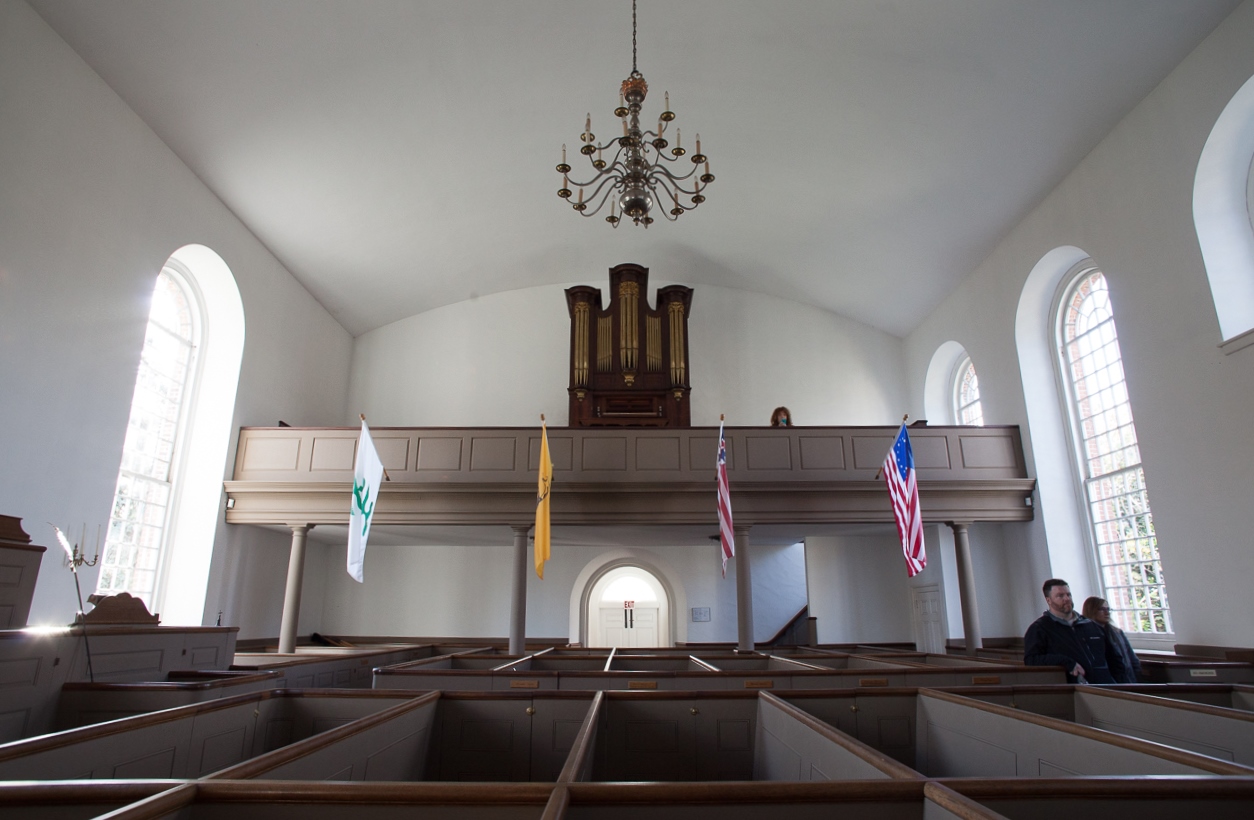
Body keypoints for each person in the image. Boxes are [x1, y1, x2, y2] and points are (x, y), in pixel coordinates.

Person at [1023, 579, 1126, 684]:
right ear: (1049, 600)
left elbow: (1114, 659)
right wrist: (1065, 661)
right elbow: (1031, 660)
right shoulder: (1040, 628)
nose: (1067, 599)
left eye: (1069, 594)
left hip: (1106, 686)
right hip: (1073, 688)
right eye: (1060, 596)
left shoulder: (1091, 625)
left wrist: (1122, 684)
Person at [1082, 596, 1142, 683]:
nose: (1107, 612)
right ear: (1092, 611)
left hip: (1126, 678)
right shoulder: (1086, 634)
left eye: (1108, 609)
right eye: (1102, 609)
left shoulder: (1117, 632)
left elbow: (1131, 657)